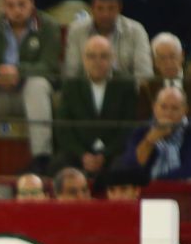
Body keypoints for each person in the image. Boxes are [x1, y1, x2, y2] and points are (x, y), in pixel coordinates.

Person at [0, 0, 60, 167]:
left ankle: (41, 158)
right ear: (3, 6)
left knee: (37, 84)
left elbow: (50, 67)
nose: (16, 11)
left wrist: (18, 72)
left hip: (31, 97)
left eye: (22, 4)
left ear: (32, 3)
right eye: (10, 6)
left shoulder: (48, 26)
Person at [54, 35, 137, 173]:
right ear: (84, 59)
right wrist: (83, 155)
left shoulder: (126, 85)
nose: (97, 62)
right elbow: (63, 128)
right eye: (91, 56)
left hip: (113, 153)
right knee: (58, 165)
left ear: (113, 58)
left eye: (103, 56)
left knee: (124, 167)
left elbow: (128, 128)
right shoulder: (71, 85)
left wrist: (104, 155)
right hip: (79, 153)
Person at [63, 0, 153, 81]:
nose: (105, 14)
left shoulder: (136, 31)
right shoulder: (76, 31)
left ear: (120, 8)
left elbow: (144, 75)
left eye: (111, 8)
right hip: (86, 93)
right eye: (100, 8)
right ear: (92, 8)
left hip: (127, 93)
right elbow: (71, 74)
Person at [138, 32, 191, 148]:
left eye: (172, 56)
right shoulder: (147, 88)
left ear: (182, 56)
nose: (168, 63)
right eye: (162, 58)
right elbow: (142, 129)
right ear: (155, 62)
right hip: (157, 149)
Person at [123, 85, 191, 179]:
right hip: (146, 189)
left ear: (185, 110)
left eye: (175, 108)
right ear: (154, 107)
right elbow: (131, 166)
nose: (168, 113)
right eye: (163, 107)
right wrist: (149, 141)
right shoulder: (141, 130)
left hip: (181, 186)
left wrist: (158, 184)